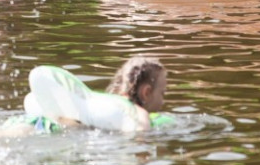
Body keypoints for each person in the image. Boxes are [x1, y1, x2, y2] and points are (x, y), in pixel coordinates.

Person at [22, 56, 172, 134]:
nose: (162, 101)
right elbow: (139, 138)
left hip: (45, 123)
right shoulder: (132, 113)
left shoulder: (103, 101)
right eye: (162, 93)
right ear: (146, 93)